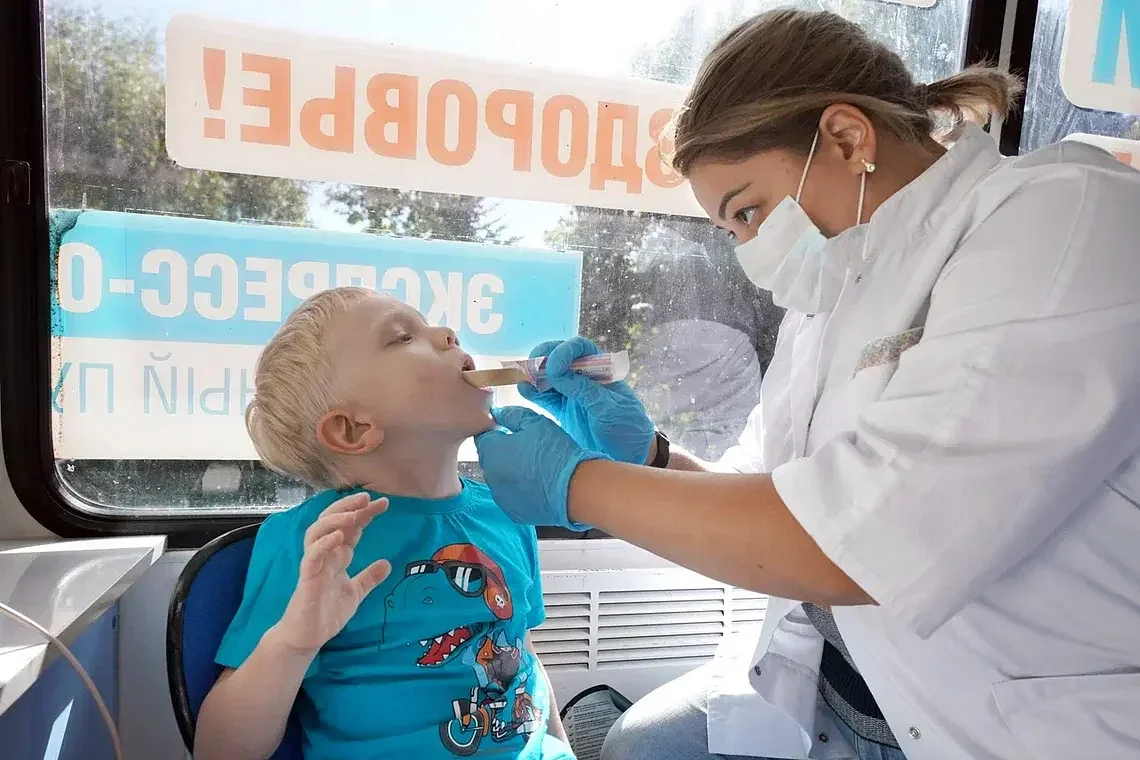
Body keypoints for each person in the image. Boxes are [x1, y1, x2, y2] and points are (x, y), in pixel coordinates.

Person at [474, 9, 1140, 760]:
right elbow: (772, 508)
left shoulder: (1062, 218)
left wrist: (578, 486)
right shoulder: (832, 293)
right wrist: (652, 457)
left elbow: (862, 542)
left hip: (1009, 711)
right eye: (732, 231)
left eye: (749, 210)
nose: (750, 253)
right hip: (840, 681)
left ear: (849, 137)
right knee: (639, 745)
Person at [194, 287, 572, 760]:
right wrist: (294, 641)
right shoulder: (315, 543)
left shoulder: (510, 512)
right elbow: (220, 751)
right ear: (352, 429)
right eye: (401, 336)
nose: (447, 333)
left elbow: (523, 656)